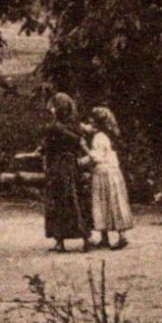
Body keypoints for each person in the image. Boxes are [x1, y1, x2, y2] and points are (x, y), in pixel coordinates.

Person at [42, 92, 93, 252]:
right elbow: (78, 142)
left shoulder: (54, 127)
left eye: (53, 107)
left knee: (59, 201)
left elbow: (48, 147)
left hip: (58, 167)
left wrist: (43, 150)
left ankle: (60, 240)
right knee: (77, 199)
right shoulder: (75, 125)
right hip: (73, 166)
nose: (51, 110)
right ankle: (85, 238)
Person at [85, 106, 134, 250]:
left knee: (103, 202)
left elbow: (96, 156)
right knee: (114, 201)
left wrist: (84, 158)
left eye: (91, 119)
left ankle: (119, 236)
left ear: (96, 122)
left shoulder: (98, 137)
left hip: (103, 172)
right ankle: (108, 237)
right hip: (113, 171)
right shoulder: (109, 133)